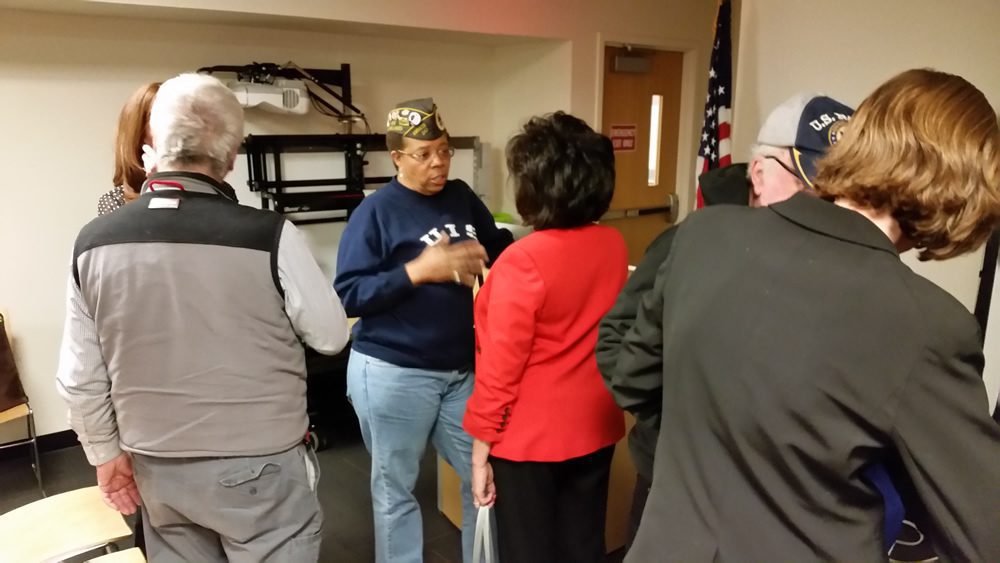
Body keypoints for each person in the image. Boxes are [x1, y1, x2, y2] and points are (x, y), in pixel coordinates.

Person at [604, 68, 1000, 561]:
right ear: (964, 192)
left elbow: (634, 380)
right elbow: (983, 532)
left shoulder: (705, 235)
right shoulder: (928, 325)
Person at [57, 73, 350, 562]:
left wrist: (105, 455)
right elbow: (331, 335)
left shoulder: (92, 242)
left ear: (154, 145)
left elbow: (79, 379)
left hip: (158, 471)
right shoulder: (271, 235)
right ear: (231, 157)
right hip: (262, 470)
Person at [597, 93, 861, 547]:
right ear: (759, 174)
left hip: (771, 500)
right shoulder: (693, 241)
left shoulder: (830, 261)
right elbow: (616, 344)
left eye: (837, 194)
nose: (823, 209)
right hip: (675, 481)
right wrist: (683, 417)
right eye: (810, 188)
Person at [334, 98, 513, 563]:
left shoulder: (461, 196)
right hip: (392, 371)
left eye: (445, 150)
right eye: (423, 154)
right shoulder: (375, 212)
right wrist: (418, 271)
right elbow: (349, 295)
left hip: (459, 370)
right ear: (396, 157)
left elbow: (499, 247)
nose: (438, 162)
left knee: (484, 478)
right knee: (396, 490)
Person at [463, 112, 627, 563]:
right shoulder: (612, 244)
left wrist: (479, 453)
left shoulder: (523, 261)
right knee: (583, 547)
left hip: (530, 440)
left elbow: (500, 371)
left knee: (528, 552)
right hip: (595, 425)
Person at [98, 82, 160, 215]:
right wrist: (159, 186)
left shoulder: (202, 185)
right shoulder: (115, 200)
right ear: (139, 131)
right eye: (156, 116)